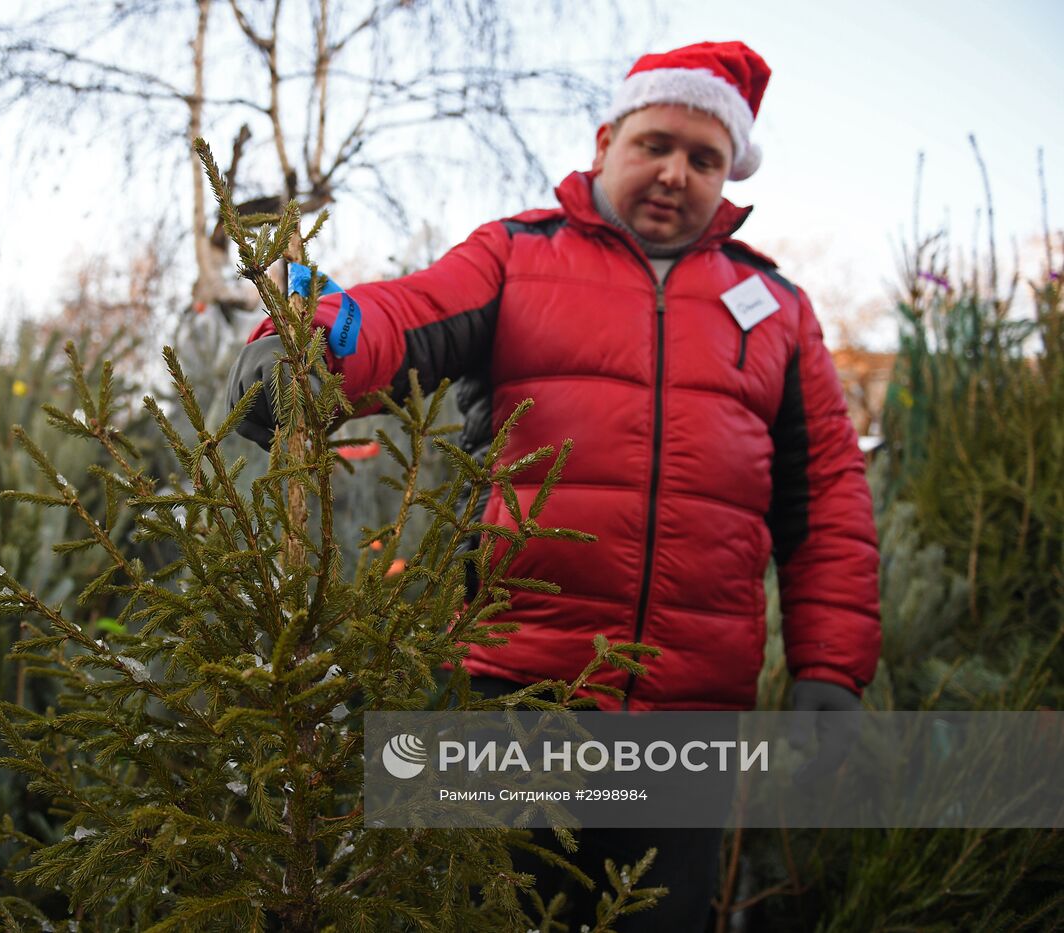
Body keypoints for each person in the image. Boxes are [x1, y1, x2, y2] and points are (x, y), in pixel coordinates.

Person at [228, 40, 881, 931]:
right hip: (506, 686)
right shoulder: (516, 255)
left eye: (705, 158)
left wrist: (832, 665)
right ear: (607, 139)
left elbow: (828, 497)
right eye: (656, 143)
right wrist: (314, 341)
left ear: (729, 174)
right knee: (467, 912)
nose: (675, 173)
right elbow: (401, 317)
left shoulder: (776, 308)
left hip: (686, 716)